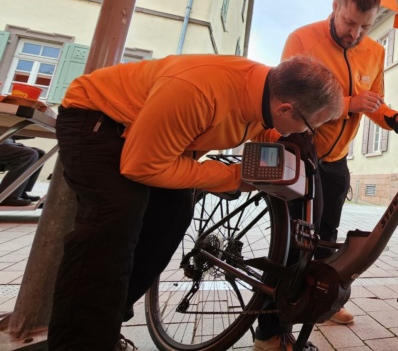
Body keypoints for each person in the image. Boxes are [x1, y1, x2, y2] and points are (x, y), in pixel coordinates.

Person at [47, 54, 344, 351]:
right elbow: (141, 166)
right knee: (116, 216)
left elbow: (260, 125)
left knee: (173, 215)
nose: (303, 133)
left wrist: (286, 146)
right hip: (99, 118)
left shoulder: (267, 93)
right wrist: (232, 177)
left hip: (152, 136)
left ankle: (106, 320)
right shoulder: (198, 91)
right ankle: (78, 343)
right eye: (307, 126)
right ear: (285, 108)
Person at [253, 0, 398, 351]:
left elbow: (375, 103)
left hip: (336, 161)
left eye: (364, 25)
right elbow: (288, 101)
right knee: (293, 250)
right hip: (298, 153)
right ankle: (267, 335)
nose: (354, 33)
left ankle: (318, 305)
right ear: (335, 6)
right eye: (348, 23)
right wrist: (348, 104)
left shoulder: (375, 53)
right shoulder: (302, 40)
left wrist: (396, 119)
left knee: (326, 242)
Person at [0, 138, 46, 206]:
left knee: (40, 154)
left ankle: (20, 192)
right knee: (29, 154)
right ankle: (7, 195)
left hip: (7, 140)